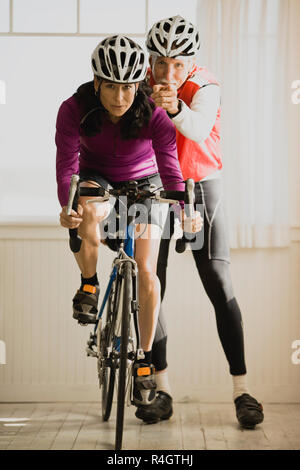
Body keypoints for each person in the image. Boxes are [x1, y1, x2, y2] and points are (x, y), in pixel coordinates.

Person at [56, 35, 202, 408]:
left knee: (148, 271)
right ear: (96, 82)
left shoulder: (153, 113)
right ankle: (89, 285)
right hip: (97, 177)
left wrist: (185, 211)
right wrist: (67, 206)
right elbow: (67, 167)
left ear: (138, 84)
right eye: (111, 87)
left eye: (128, 87)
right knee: (87, 209)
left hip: (145, 183)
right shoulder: (74, 109)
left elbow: (170, 168)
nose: (120, 97)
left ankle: (144, 360)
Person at [134, 15, 264, 429]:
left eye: (177, 64)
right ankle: (161, 388)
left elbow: (197, 127)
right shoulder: (138, 83)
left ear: (191, 61)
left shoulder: (206, 85)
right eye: (160, 63)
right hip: (154, 187)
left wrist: (172, 104)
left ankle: (242, 391)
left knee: (219, 283)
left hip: (201, 186)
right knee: (150, 283)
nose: (167, 73)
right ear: (150, 59)